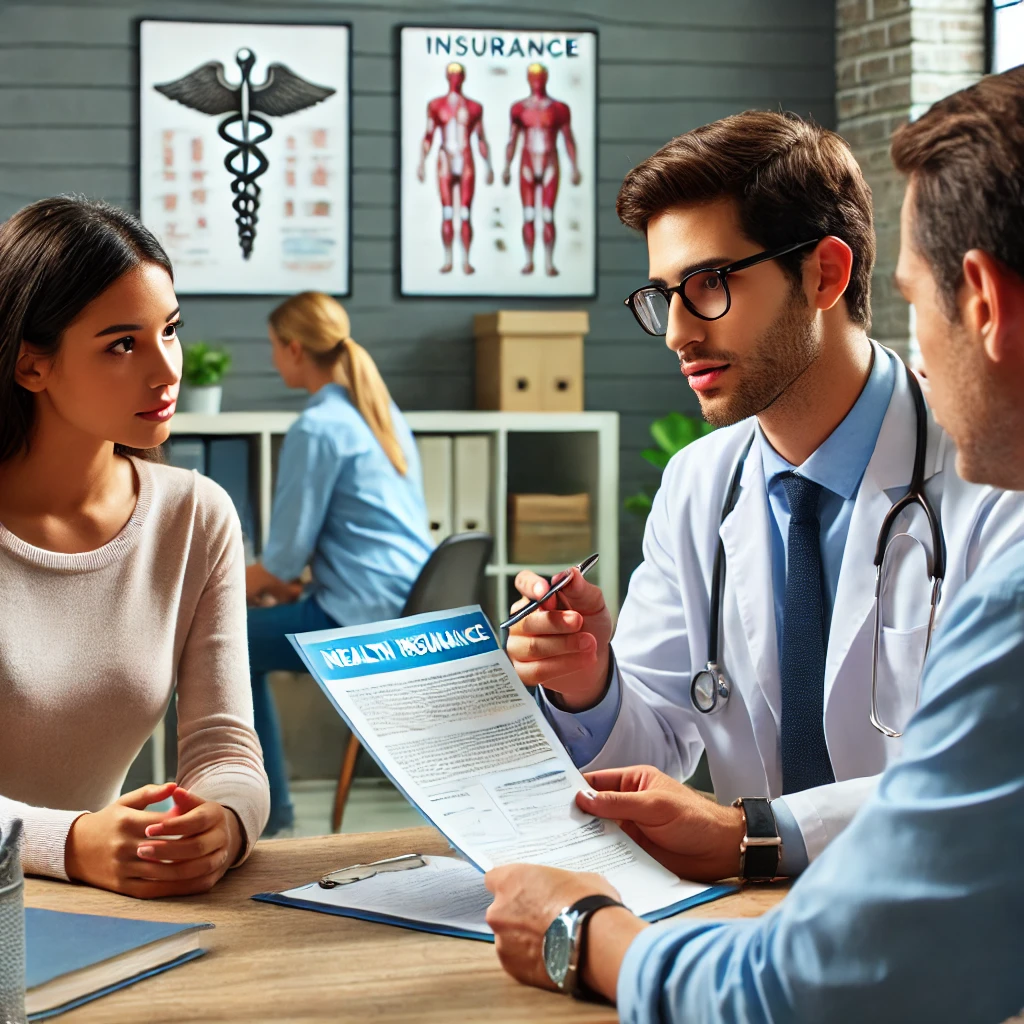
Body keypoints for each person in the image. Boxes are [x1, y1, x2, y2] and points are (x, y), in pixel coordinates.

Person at [485, 66, 1024, 1021]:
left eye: (710, 286)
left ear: (825, 273)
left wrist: (750, 834)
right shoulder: (703, 482)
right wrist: (586, 679)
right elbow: (661, 735)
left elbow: (971, 798)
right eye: (662, 296)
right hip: (747, 931)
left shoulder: (993, 479)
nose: (677, 332)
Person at [0, 197, 269, 897]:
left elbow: (226, 746)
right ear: (32, 365)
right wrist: (70, 843)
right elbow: (73, 844)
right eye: (123, 344)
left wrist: (224, 823)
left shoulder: (195, 516)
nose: (165, 369)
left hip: (90, 911)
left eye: (170, 331)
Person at [245, 291, 433, 836]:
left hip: (358, 623)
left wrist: (216, 587)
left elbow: (280, 562)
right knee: (245, 632)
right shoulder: (381, 412)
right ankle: (269, 808)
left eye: (274, 347)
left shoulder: (317, 427)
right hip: (409, 609)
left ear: (295, 348)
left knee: (222, 642)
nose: (275, 357)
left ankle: (269, 813)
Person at [501, 63, 581, 276]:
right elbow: (512, 139)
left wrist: (574, 167)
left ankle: (548, 262)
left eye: (540, 76)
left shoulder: (558, 109)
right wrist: (507, 166)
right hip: (527, 162)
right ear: (528, 78)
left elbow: (568, 139)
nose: (537, 80)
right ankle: (529, 261)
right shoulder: (519, 108)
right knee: (528, 215)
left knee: (547, 215)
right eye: (533, 76)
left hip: (549, 162)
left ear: (546, 78)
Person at [416, 62, 494, 275]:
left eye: (458, 75)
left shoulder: (474, 107)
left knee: (466, 213)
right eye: (452, 75)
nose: (455, 79)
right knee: (448, 212)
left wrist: (489, 166)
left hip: (466, 158)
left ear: (464, 77)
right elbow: (429, 135)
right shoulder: (436, 105)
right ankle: (449, 259)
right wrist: (422, 161)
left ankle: (466, 260)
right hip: (445, 159)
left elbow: (481, 138)